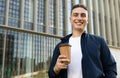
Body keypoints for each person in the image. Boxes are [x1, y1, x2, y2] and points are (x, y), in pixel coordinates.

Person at [48, 4, 117, 78]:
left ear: (87, 20)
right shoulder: (61, 46)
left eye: (83, 15)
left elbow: (111, 67)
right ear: (70, 19)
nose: (79, 18)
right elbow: (51, 74)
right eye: (75, 15)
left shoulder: (99, 41)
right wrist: (56, 69)